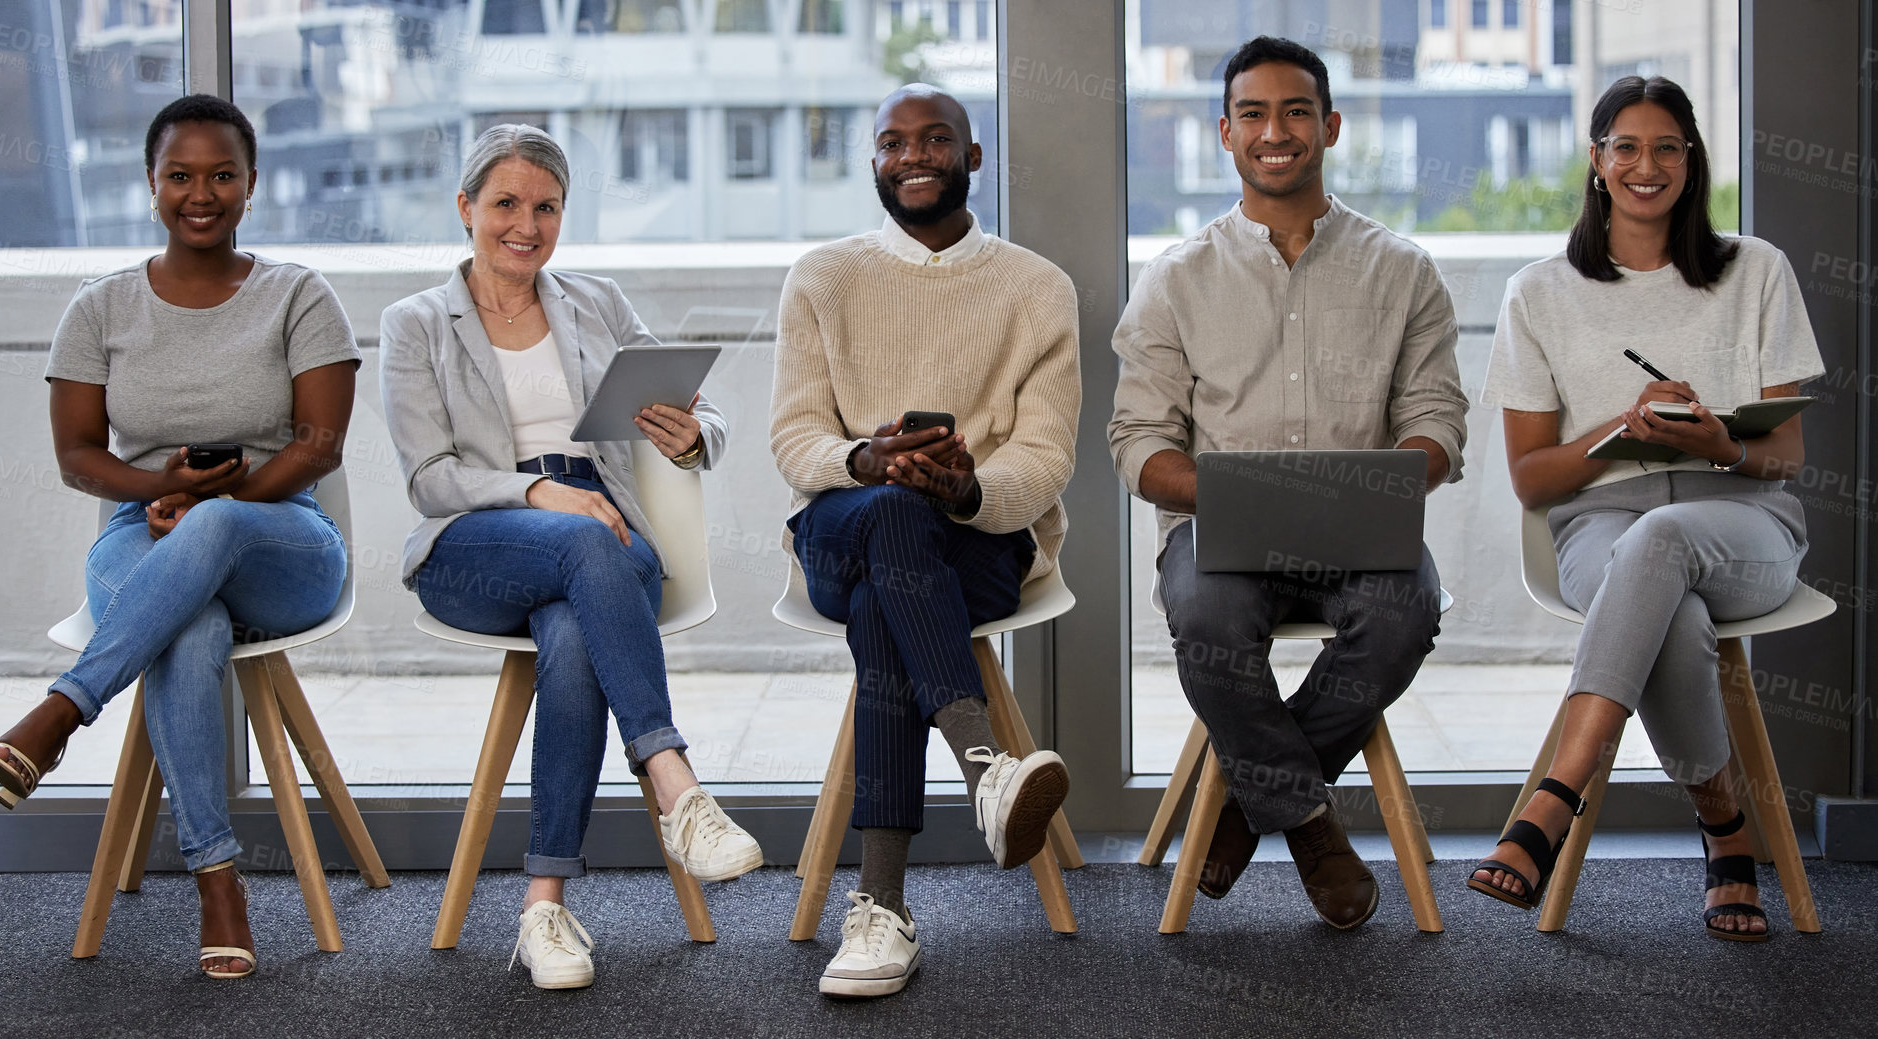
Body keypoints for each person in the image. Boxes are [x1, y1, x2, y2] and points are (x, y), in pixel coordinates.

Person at [0, 95, 361, 979]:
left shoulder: (298, 294)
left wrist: (205, 509)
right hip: (137, 532)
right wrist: (158, 491)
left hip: (283, 538)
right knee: (189, 625)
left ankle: (62, 709)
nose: (202, 193)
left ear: (251, 184)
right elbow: (78, 455)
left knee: (221, 525)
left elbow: (319, 444)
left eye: (221, 174)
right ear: (151, 184)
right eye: (180, 175)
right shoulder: (101, 306)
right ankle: (218, 881)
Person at [379, 124, 761, 990]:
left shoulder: (596, 301)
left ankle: (542, 906)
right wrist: (538, 494)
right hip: (475, 546)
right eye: (505, 203)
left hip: (603, 542)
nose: (526, 223)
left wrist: (697, 436)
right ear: (466, 207)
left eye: (545, 206)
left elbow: (706, 409)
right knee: (584, 542)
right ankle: (676, 782)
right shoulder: (414, 324)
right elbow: (430, 480)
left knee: (573, 631)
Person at [1107, 36, 1468, 931]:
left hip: (1360, 531)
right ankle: (1309, 824)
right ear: (1224, 133)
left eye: (1296, 111)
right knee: (1205, 615)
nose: (1277, 131)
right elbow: (1137, 445)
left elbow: (1438, 425)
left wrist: (1374, 482)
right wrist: (1232, 497)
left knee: (1402, 613)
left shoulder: (1403, 270)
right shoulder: (1175, 279)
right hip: (1219, 530)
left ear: (1330, 126)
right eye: (1255, 115)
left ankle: (1243, 798)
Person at [1473, 76, 1823, 941]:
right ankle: (1724, 828)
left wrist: (1716, 446)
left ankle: (1554, 795)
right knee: (1664, 594)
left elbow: (1786, 457)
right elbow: (1531, 480)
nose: (1646, 165)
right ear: (1596, 163)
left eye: (1667, 146)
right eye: (1624, 147)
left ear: (1691, 160)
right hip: (1598, 523)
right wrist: (1618, 432)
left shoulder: (1756, 270)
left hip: (1742, 515)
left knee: (1662, 538)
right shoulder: (1538, 292)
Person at [770, 84, 1081, 997]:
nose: (912, 155)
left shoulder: (1036, 287)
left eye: (934, 139)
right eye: (891, 143)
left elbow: (1046, 456)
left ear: (970, 158)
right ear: (873, 163)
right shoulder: (823, 277)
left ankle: (879, 908)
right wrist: (867, 459)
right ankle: (984, 765)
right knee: (892, 516)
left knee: (888, 594)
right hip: (840, 526)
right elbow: (793, 439)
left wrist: (968, 485)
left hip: (979, 540)